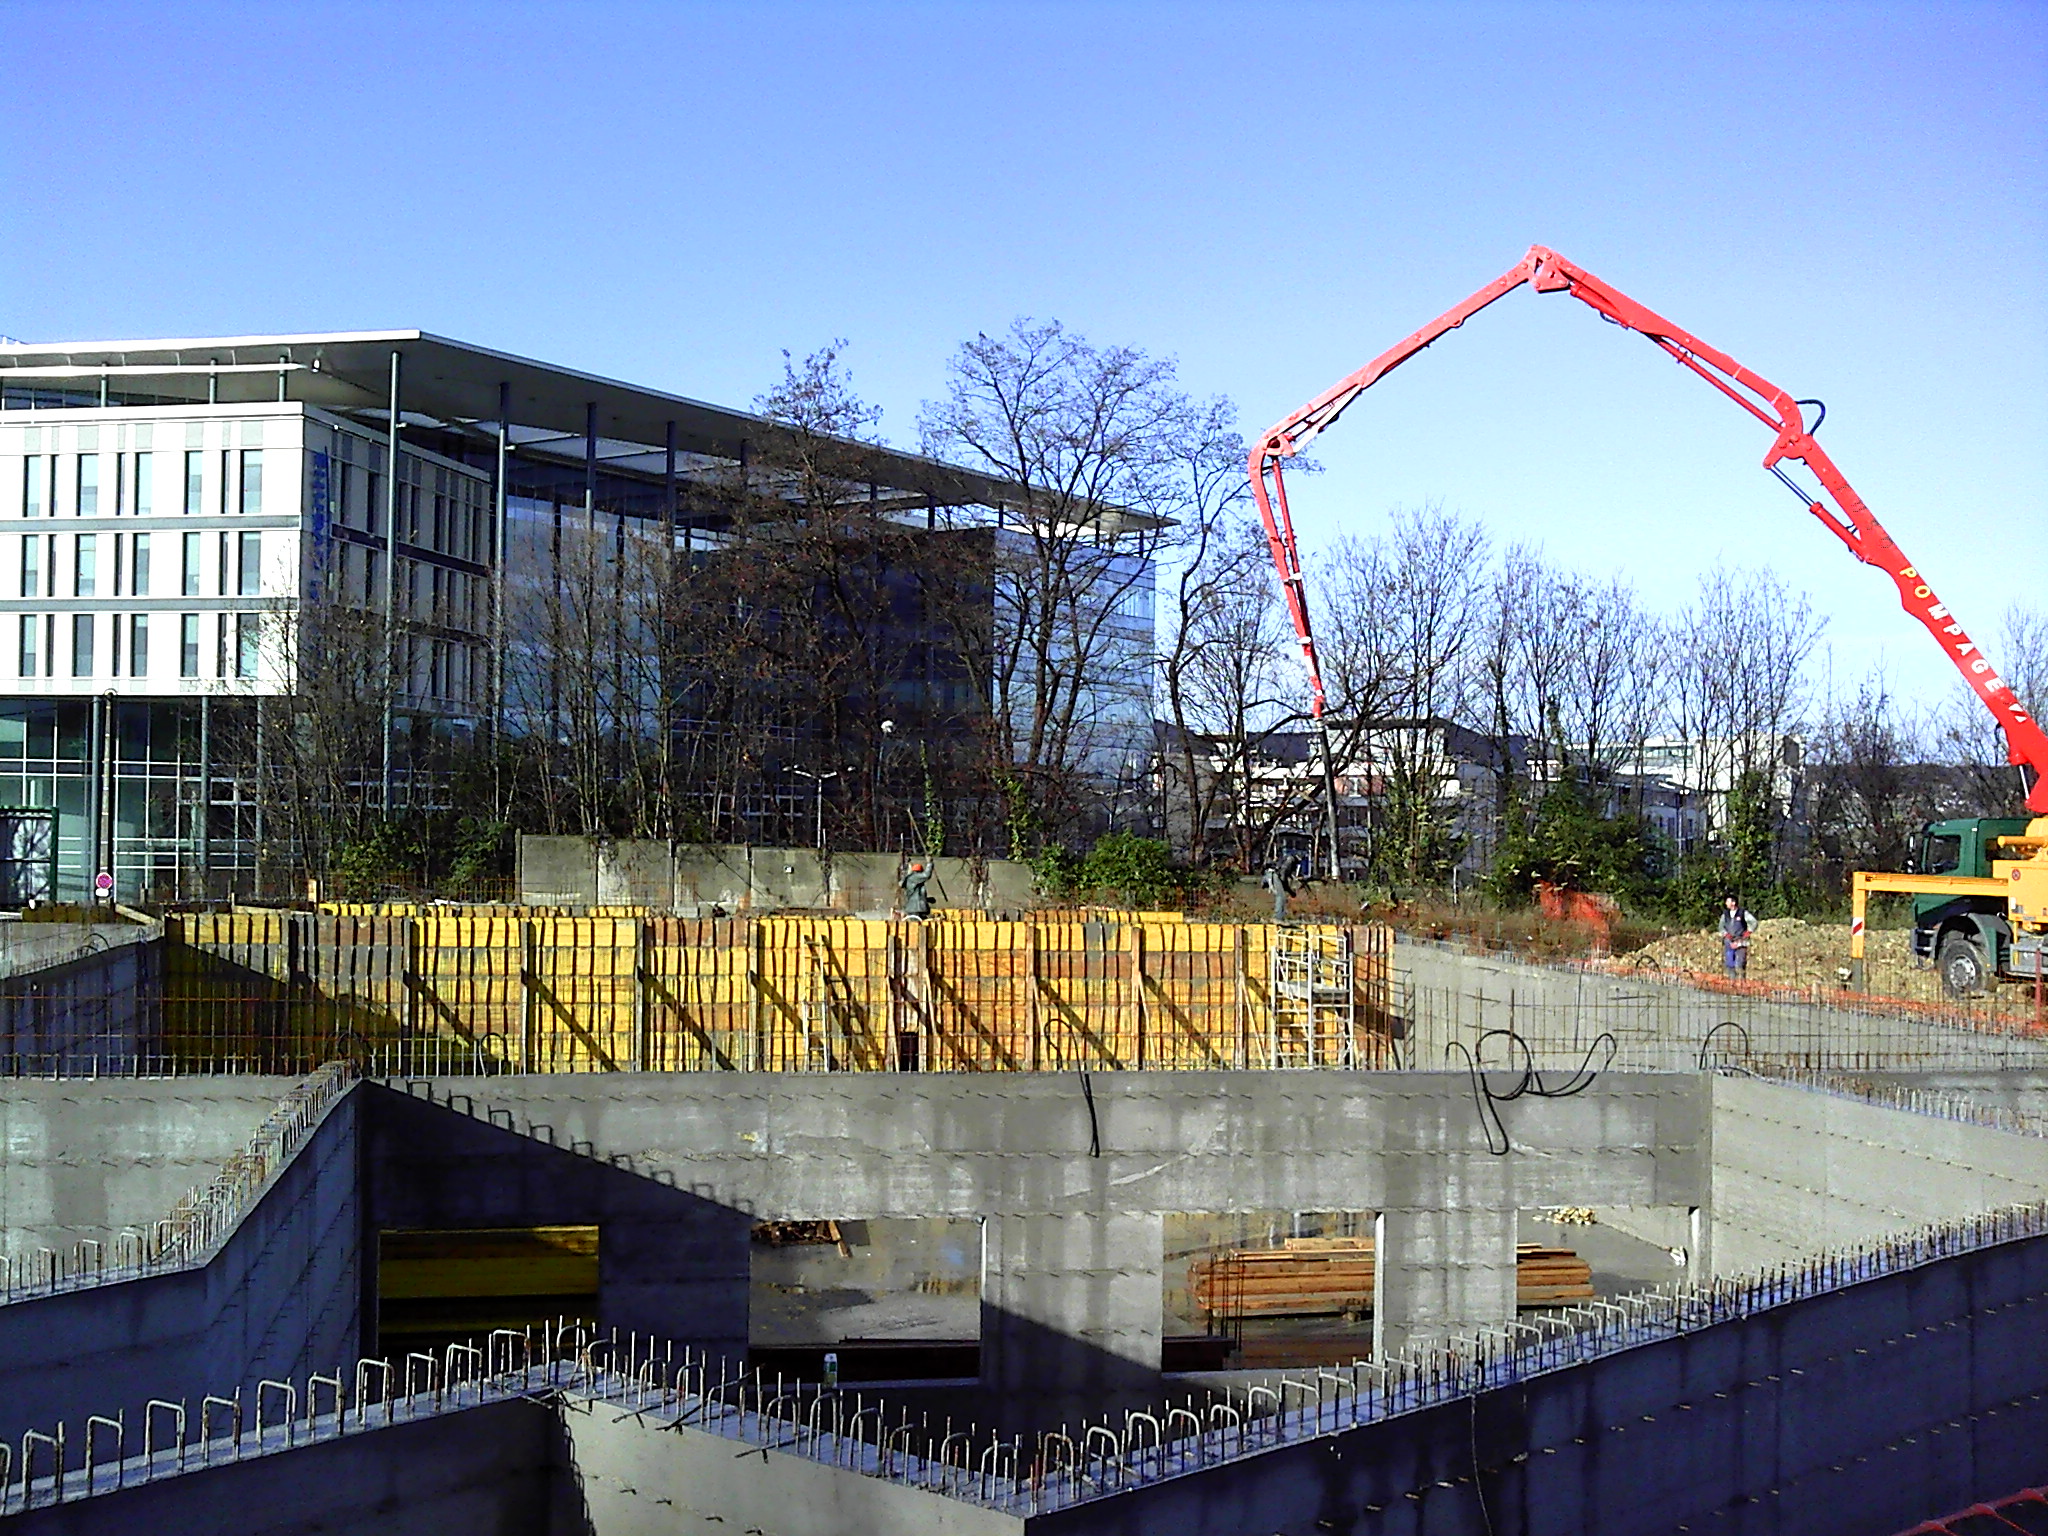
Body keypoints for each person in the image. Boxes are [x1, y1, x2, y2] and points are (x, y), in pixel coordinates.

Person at [1719, 894, 1755, 977]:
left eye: (1728, 901)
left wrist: (1748, 932)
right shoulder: (1725, 915)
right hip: (1729, 941)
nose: (1726, 903)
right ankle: (1732, 982)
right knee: (1729, 963)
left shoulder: (1742, 913)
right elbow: (1721, 927)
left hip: (1740, 941)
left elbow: (1754, 922)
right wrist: (1726, 935)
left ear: (1733, 902)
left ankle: (1741, 983)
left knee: (1740, 963)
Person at [1262, 857, 1294, 923]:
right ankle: (1277, 917)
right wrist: (1290, 892)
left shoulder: (1284, 865)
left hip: (1270, 875)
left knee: (1281, 896)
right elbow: (1283, 880)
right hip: (1272, 876)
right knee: (1281, 896)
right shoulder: (1286, 867)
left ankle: (1279, 917)